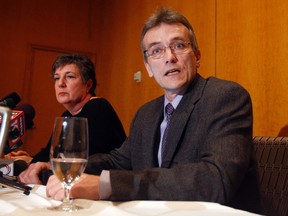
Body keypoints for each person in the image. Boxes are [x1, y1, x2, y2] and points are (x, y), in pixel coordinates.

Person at [46, 8, 261, 214]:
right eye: (157, 50)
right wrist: (60, 168)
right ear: (148, 67)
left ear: (197, 56)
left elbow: (216, 180)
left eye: (178, 45)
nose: (169, 57)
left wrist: (106, 184)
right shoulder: (146, 114)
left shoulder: (226, 97)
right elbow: (117, 161)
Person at [8, 53, 126, 184]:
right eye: (57, 78)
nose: (61, 84)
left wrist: (35, 163)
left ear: (88, 85)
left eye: (69, 77)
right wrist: (29, 159)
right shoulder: (67, 115)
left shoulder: (98, 107)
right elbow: (51, 153)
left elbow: (80, 159)